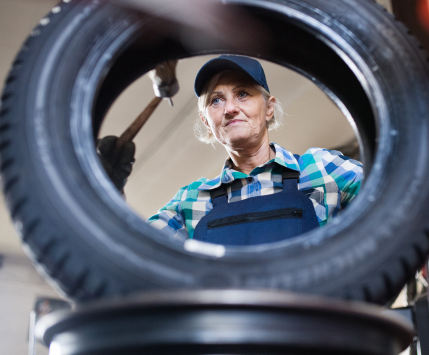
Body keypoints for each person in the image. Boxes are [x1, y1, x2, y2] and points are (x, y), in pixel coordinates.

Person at [103, 55, 364, 245]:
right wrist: (104, 194)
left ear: (269, 107)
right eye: (216, 100)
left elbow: (399, 198)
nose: (229, 108)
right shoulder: (190, 201)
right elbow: (133, 254)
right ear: (207, 121)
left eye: (242, 94)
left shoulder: (322, 168)